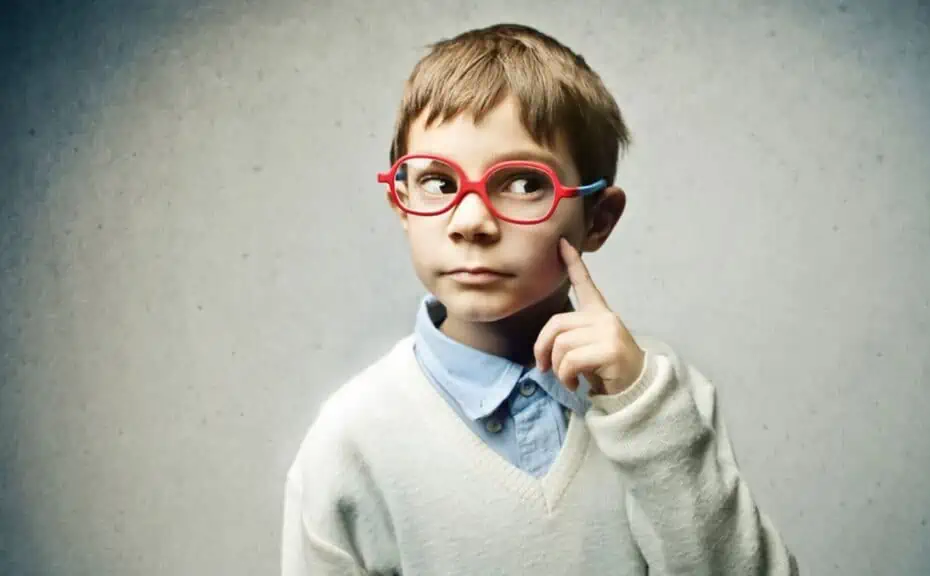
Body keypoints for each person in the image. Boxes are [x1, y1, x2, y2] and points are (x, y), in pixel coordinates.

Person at [281, 23, 799, 576]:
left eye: (524, 183)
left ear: (598, 218)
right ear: (401, 202)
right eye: (438, 181)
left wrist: (640, 412)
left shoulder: (659, 399)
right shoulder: (352, 435)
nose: (471, 221)